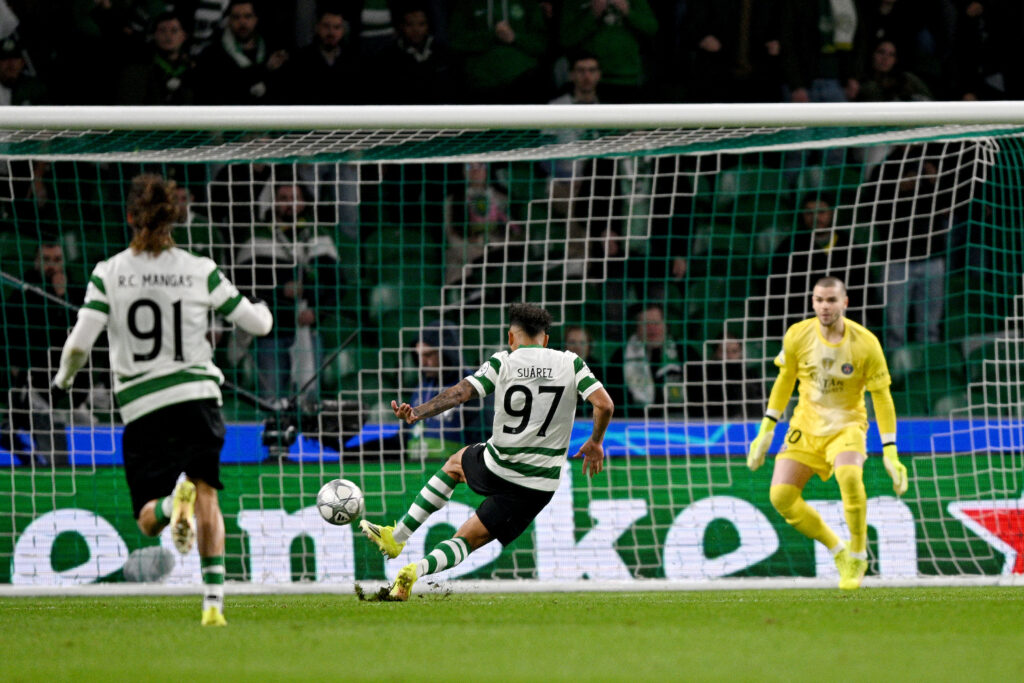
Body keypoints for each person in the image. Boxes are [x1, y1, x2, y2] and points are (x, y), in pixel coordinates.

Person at [51, 173, 274, 625]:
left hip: (143, 406)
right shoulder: (200, 268)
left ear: (130, 216)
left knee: (147, 520)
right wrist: (265, 311)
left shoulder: (107, 273)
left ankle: (174, 505)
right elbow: (256, 325)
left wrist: (63, 383)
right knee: (208, 494)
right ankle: (213, 603)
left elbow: (78, 345)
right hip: (197, 398)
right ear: (178, 215)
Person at [359, 302, 613, 600]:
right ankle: (415, 572)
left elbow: (460, 393)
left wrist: (418, 412)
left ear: (510, 337)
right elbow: (604, 404)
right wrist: (595, 442)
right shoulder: (572, 363)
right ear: (546, 339)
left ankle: (397, 537)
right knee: (470, 538)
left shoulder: (503, 362)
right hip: (539, 484)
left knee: (455, 464)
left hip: (499, 465)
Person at [747, 276, 908, 590]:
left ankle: (859, 554)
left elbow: (882, 396)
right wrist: (767, 428)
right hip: (805, 426)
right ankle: (839, 551)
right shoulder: (798, 335)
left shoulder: (865, 343)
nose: (825, 306)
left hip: (848, 424)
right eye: (819, 300)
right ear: (812, 302)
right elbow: (785, 380)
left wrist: (890, 449)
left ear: (845, 302)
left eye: (832, 300)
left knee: (849, 476)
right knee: (781, 497)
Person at [233, 180, 341, 404]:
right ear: (273, 202)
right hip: (269, 332)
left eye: (295, 197)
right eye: (283, 198)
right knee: (271, 400)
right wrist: (279, 290)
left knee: (308, 400)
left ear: (304, 202)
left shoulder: (318, 235)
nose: (289, 204)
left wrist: (316, 310)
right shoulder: (257, 236)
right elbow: (243, 285)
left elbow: (337, 284)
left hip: (307, 329)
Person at [1, 240, 84, 466]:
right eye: (47, 260)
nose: (52, 266)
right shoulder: (21, 296)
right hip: (32, 382)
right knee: (54, 446)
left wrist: (62, 295)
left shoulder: (74, 294)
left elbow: (76, 335)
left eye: (57, 260)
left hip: (62, 381)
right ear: (36, 262)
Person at [447, 0, 548, 103]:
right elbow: (456, 42)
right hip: (482, 83)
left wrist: (514, 38)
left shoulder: (528, 4)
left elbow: (541, 44)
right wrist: (492, 35)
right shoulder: (466, 4)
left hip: (523, 80)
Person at [559, 0, 658, 103]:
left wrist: (628, 12)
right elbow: (566, 38)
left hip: (627, 77)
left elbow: (652, 28)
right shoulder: (574, 3)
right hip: (589, 80)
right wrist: (592, 15)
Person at [195, 0, 289, 104]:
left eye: (247, 16)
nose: (242, 22)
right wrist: (265, 70)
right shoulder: (212, 55)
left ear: (256, 19)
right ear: (229, 21)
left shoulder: (271, 51)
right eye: (236, 17)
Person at [606, 302, 690, 417]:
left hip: (679, 422)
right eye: (645, 324)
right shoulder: (620, 356)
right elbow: (613, 396)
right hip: (634, 423)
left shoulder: (685, 352)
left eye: (656, 323)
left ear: (666, 325)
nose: (652, 328)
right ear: (637, 328)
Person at [282, 4, 364, 104]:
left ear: (342, 31)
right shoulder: (301, 59)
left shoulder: (353, 60)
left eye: (336, 27)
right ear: (317, 27)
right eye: (326, 26)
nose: (331, 32)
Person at [116, 11, 198, 105]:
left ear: (184, 36)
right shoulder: (139, 69)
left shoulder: (192, 71)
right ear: (154, 35)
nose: (168, 35)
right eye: (162, 30)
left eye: (174, 30)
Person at [685, 332, 763, 421]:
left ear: (741, 353)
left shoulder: (751, 376)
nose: (729, 356)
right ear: (715, 353)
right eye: (724, 351)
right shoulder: (704, 377)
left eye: (734, 351)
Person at [856, 39, 933, 102]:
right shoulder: (862, 83)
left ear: (895, 60)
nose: (885, 58)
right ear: (872, 55)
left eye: (891, 54)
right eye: (881, 52)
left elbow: (930, 102)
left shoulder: (907, 79)